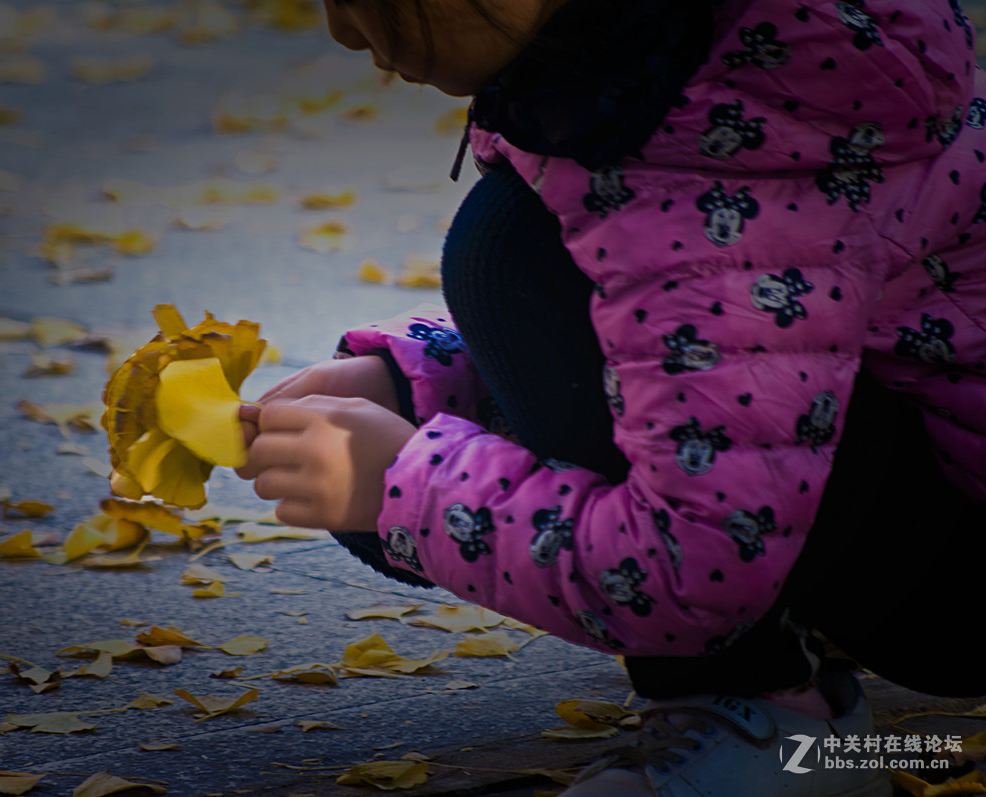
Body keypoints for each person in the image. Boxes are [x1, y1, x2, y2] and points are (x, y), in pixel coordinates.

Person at [234, 0, 986, 793]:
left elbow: (694, 567)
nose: (347, 30)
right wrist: (431, 389)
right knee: (514, 262)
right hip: (932, 494)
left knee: (518, 254)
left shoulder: (707, 157)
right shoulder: (711, 64)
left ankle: (788, 737)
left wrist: (403, 488)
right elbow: (706, 352)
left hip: (962, 598)